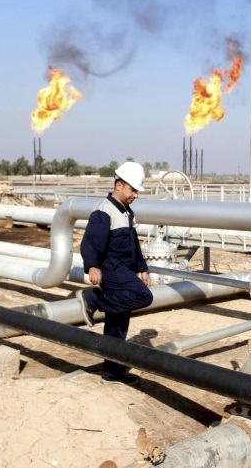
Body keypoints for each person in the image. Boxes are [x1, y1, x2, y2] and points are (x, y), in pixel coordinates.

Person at [76, 161, 153, 385]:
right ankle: (93, 298)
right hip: (110, 267)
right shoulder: (103, 211)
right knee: (143, 296)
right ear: (119, 185)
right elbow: (90, 242)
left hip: (125, 269)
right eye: (132, 189)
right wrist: (92, 266)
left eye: (137, 191)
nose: (135, 195)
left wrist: (142, 268)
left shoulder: (127, 212)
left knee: (117, 324)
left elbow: (134, 244)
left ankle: (112, 373)